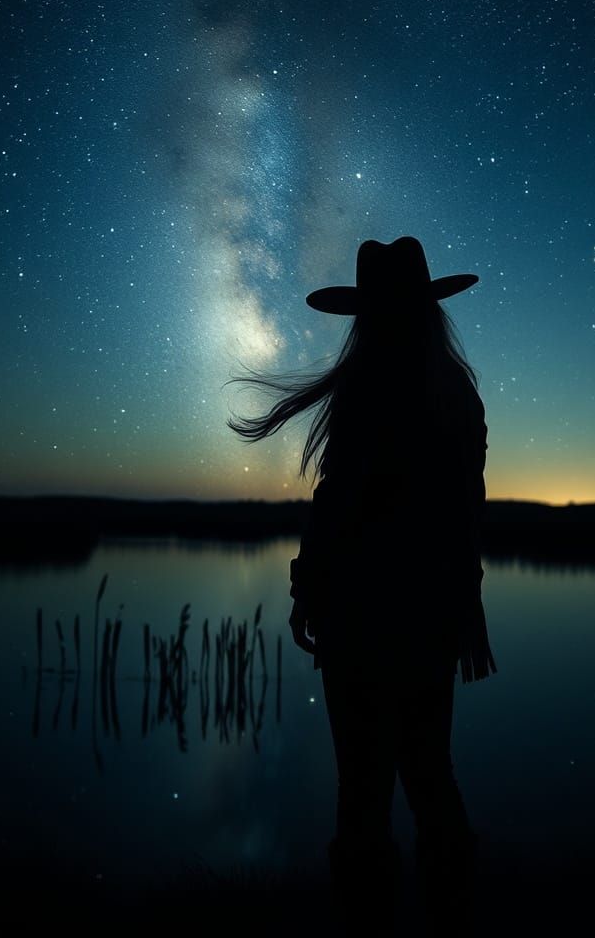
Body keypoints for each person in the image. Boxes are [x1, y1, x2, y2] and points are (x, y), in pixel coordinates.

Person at [229, 236, 496, 934]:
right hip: (432, 610)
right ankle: (450, 917)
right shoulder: (455, 392)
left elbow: (339, 502)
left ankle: (371, 928)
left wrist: (307, 589)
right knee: (430, 774)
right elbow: (465, 507)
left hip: (366, 615)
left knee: (366, 790)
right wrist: (463, 601)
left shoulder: (370, 388)